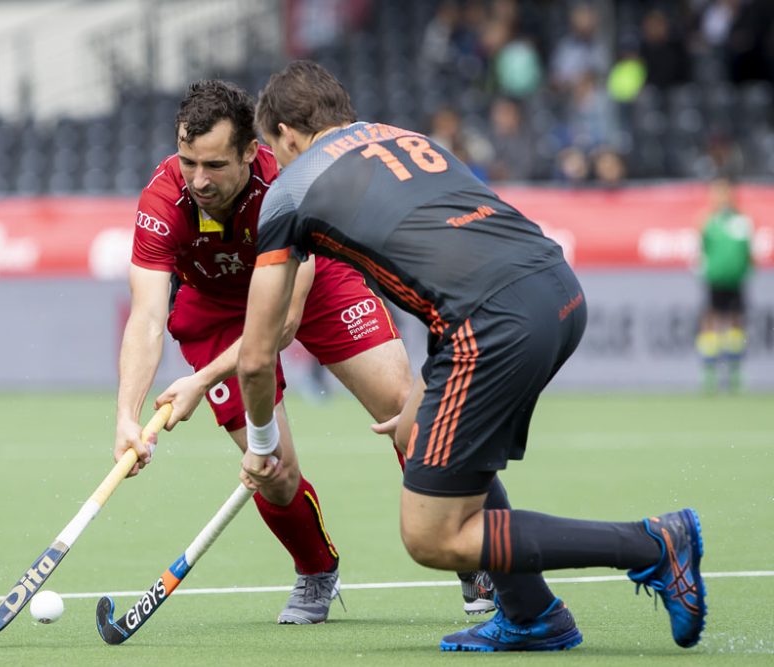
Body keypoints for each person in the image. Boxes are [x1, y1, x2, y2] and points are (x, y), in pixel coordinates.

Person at [238, 61, 706, 652]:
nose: (276, 164)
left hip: (492, 323)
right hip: (556, 288)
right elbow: (452, 263)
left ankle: (654, 544)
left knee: (432, 535)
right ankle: (532, 613)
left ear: (285, 132)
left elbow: (256, 357)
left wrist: (261, 449)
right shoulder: (407, 139)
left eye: (275, 150)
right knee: (456, 468)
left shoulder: (291, 188)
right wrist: (421, 397)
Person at [115, 79, 440, 625]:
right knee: (274, 470)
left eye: (215, 165)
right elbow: (147, 316)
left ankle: (475, 560)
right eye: (188, 160)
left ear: (249, 151)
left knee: (405, 408)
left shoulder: (290, 184)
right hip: (217, 310)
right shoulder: (162, 201)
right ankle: (316, 569)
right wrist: (126, 414)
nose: (198, 180)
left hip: (309, 288)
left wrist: (199, 381)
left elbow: (282, 324)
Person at [696, 175, 753, 393]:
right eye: (717, 192)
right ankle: (709, 372)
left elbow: (749, 254)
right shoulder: (707, 221)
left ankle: (734, 371)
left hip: (735, 282)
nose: (721, 197)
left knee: (736, 324)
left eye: (724, 192)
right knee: (711, 322)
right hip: (714, 281)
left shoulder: (742, 222)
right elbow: (701, 251)